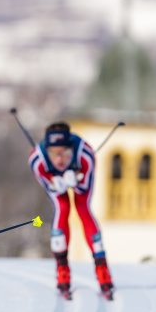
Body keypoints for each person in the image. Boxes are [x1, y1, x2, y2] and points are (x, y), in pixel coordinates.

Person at [29, 122, 115, 300]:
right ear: (47, 151)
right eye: (54, 154)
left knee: (82, 208)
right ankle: (62, 270)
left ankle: (102, 270)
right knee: (63, 207)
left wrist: (75, 180)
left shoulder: (85, 155)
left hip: (80, 175)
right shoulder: (37, 160)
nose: (60, 160)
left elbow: (84, 190)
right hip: (55, 180)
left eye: (65, 154)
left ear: (71, 150)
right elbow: (49, 186)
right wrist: (55, 182)